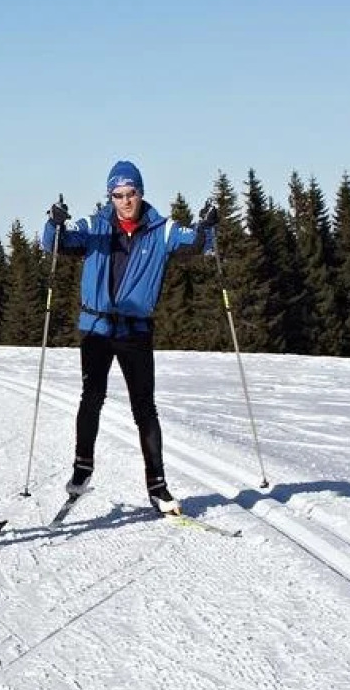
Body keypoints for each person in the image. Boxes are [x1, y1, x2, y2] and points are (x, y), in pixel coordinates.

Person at [41, 160, 219, 515]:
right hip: (96, 329)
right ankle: (82, 470)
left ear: (141, 193)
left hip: (135, 331)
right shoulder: (95, 226)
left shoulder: (161, 230)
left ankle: (158, 487)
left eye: (131, 193)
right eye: (117, 195)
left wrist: (207, 225)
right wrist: (54, 221)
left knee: (144, 408)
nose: (125, 201)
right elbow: (54, 243)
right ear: (109, 196)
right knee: (91, 397)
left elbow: (198, 242)